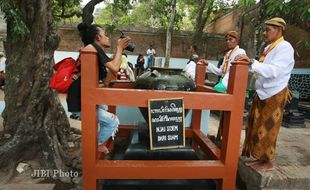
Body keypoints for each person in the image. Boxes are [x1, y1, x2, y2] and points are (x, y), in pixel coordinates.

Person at [236, 17, 294, 171]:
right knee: (256, 126)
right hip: (263, 93)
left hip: (274, 94)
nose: (264, 33)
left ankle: (267, 161)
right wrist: (248, 64)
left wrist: (251, 63)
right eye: (264, 29)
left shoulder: (285, 47)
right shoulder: (270, 48)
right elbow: (261, 68)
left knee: (268, 129)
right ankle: (259, 159)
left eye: (268, 30)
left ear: (279, 30)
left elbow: (275, 71)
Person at [66, 23, 130, 154]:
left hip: (83, 98)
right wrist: (119, 48)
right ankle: (97, 145)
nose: (107, 37)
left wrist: (116, 56)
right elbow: (115, 68)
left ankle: (96, 141)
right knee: (113, 121)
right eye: (105, 34)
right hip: (79, 102)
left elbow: (106, 82)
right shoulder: (94, 48)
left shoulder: (95, 51)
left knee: (105, 107)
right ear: (97, 37)